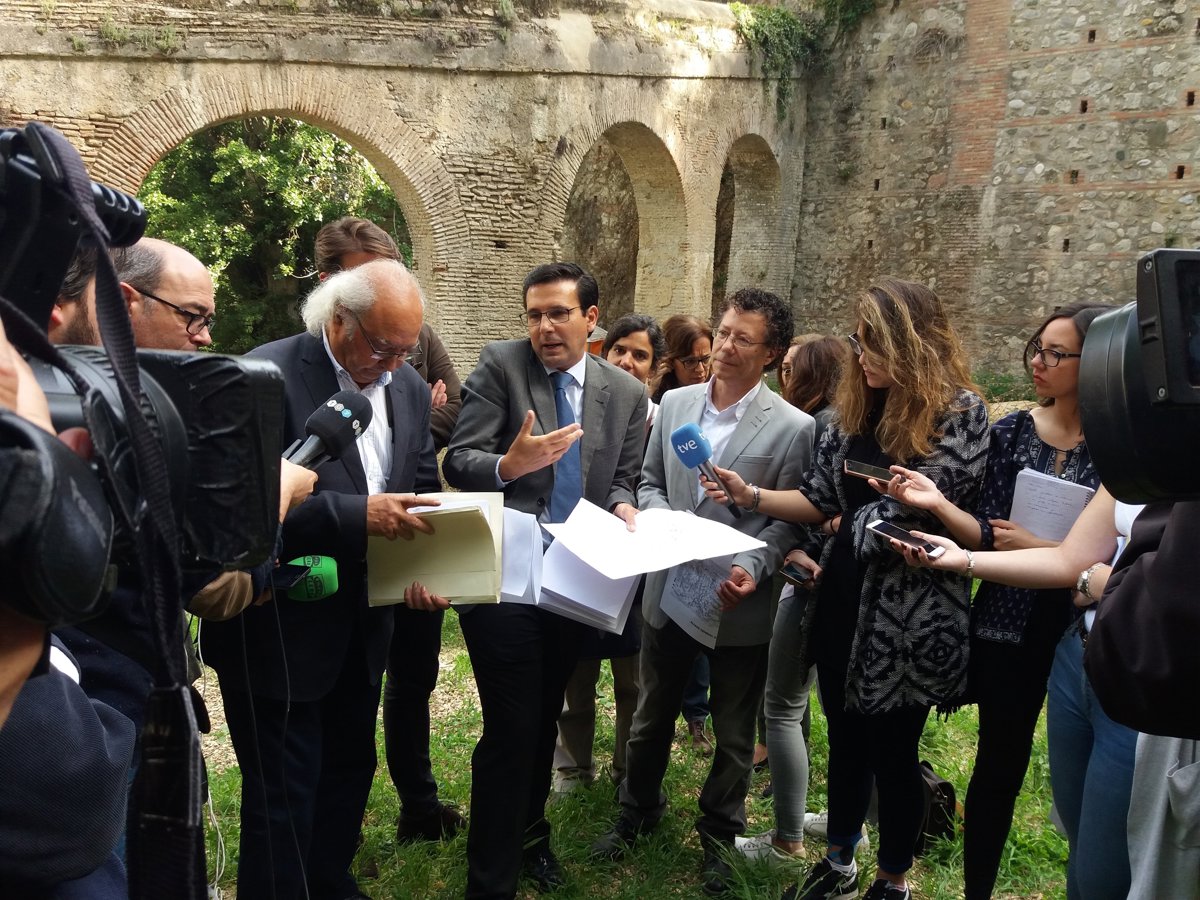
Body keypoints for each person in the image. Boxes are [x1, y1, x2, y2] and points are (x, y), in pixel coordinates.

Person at [701, 278, 989, 900]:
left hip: (910, 619)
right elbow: (818, 499)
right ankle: (838, 863)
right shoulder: (846, 414)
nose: (863, 356)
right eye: (859, 342)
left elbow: (932, 511)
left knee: (894, 752)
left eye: (876, 343)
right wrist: (751, 495)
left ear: (914, 345)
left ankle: (893, 879)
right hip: (841, 604)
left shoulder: (959, 414)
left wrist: (863, 520)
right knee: (846, 743)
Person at [201, 259, 443, 900]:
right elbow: (242, 505)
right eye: (382, 347)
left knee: (349, 769)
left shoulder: (408, 386)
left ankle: (331, 883)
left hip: (366, 623)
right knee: (284, 791)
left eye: (407, 350)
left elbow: (419, 487)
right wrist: (359, 516)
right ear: (339, 320)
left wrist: (429, 567)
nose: (393, 365)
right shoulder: (264, 374)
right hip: (280, 626)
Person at [879, 301, 1110, 899]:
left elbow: (1119, 551)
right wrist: (937, 504)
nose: (1039, 361)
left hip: (1081, 628)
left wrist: (1042, 545)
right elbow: (985, 532)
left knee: (1053, 773)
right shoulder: (1011, 432)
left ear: (1097, 362)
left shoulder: (1121, 447)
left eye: (1057, 353)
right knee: (991, 764)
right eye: (1038, 347)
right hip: (1005, 621)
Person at [590, 287, 815, 896]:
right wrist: (666, 525)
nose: (726, 347)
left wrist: (752, 567)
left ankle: (720, 834)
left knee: (735, 732)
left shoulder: (794, 427)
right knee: (651, 714)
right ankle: (637, 811)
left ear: (771, 353)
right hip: (670, 587)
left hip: (738, 598)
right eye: (724, 332)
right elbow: (649, 481)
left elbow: (789, 520)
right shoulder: (676, 402)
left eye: (744, 339)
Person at [441, 262, 648, 899]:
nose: (544, 328)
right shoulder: (502, 365)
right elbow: (459, 460)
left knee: (540, 717)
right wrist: (508, 464)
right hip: (504, 575)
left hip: (575, 578)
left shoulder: (626, 391)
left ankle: (530, 837)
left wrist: (624, 506)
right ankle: (491, 880)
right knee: (512, 724)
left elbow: (623, 478)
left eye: (559, 313)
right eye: (534, 315)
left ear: (592, 318)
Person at [889, 483, 1141, 900]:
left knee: (1105, 866)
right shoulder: (1128, 465)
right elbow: (1068, 560)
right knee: (1080, 843)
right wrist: (963, 559)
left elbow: (1161, 588)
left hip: (1139, 681)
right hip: (1077, 659)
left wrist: (1095, 579)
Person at [313, 216, 466, 844]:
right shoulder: (296, 366)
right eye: (362, 277)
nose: (393, 363)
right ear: (331, 291)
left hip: (406, 561)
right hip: (332, 580)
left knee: (410, 682)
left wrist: (418, 414)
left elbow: (451, 413)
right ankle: (326, 847)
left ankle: (417, 804)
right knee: (340, 715)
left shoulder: (406, 351)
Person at [553, 313, 665, 794]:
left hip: (634, 562)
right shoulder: (583, 407)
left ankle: (627, 768)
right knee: (574, 669)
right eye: (620, 350)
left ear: (655, 368)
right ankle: (572, 766)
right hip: (582, 551)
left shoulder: (664, 421)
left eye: (641, 355)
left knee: (632, 678)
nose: (627, 362)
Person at [314, 216, 462, 450]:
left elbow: (457, 408)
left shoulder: (421, 338)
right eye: (365, 280)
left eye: (391, 273)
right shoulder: (290, 365)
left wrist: (405, 428)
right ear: (328, 284)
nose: (383, 284)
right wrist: (409, 417)